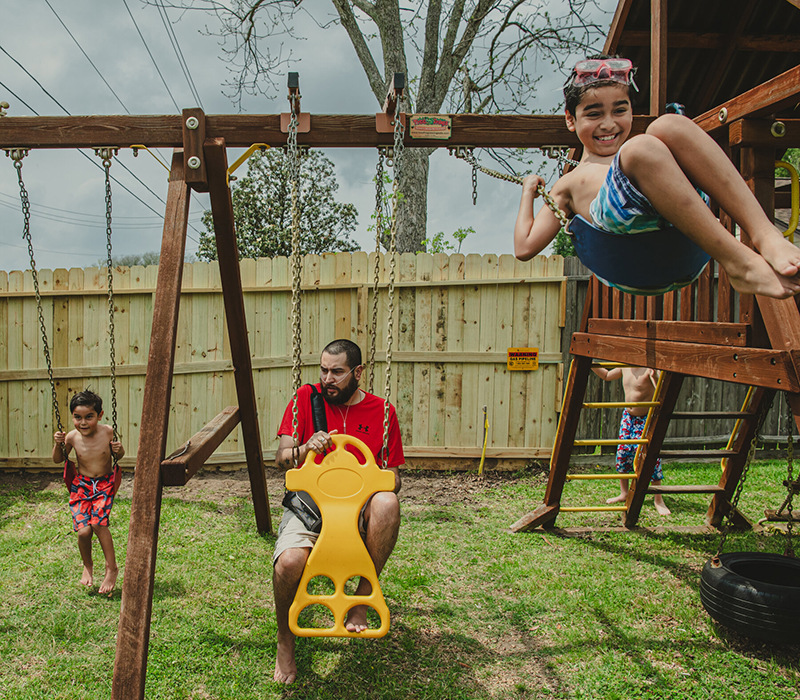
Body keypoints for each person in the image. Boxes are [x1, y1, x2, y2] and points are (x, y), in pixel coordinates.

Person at [514, 55, 800, 299]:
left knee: (670, 124)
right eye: (593, 114)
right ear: (570, 119)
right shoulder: (568, 184)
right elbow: (524, 247)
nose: (609, 123)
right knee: (641, 147)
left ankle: (764, 233)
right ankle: (740, 263)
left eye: (620, 110)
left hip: (679, 224)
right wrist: (529, 191)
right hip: (620, 247)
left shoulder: (645, 157)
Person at [272, 339, 403, 684]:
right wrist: (304, 449)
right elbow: (281, 458)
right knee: (289, 564)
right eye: (324, 370)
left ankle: (361, 595)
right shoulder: (306, 399)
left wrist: (368, 475)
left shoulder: (383, 412)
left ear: (357, 372)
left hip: (357, 514)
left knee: (387, 501)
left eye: (337, 372)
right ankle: (285, 640)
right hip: (310, 509)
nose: (328, 379)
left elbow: (394, 477)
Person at [52, 389, 124, 594]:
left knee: (98, 524)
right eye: (78, 417)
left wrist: (119, 451)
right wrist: (58, 444)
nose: (83, 423)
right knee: (83, 531)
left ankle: (112, 568)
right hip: (81, 486)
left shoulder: (108, 432)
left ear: (99, 416)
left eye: (89, 417)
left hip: (104, 485)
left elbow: (119, 452)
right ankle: (88, 565)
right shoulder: (72, 437)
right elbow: (58, 459)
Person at [592, 365, 670, 516]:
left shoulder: (650, 369)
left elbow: (661, 392)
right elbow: (607, 376)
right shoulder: (624, 367)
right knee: (623, 453)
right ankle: (624, 493)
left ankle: (658, 500)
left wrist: (654, 377)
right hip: (628, 418)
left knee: (650, 456)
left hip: (646, 418)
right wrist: (591, 365)